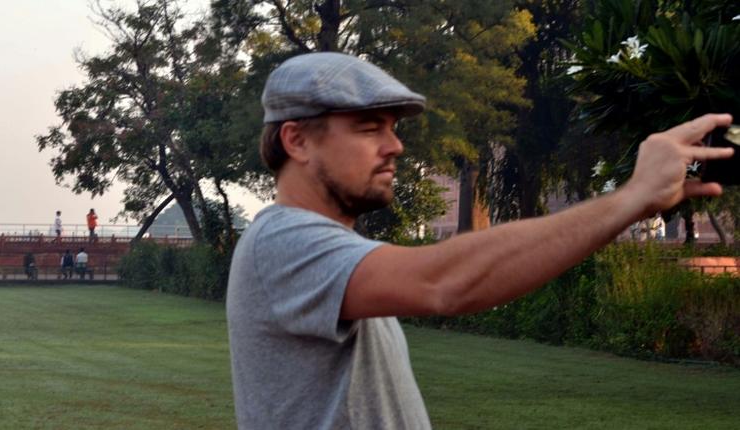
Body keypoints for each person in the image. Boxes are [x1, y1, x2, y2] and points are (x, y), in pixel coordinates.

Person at [226, 52, 735, 429]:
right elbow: (445, 283)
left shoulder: (333, 252)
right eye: (368, 128)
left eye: (392, 128)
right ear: (296, 140)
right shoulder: (283, 239)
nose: (395, 146)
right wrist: (633, 198)